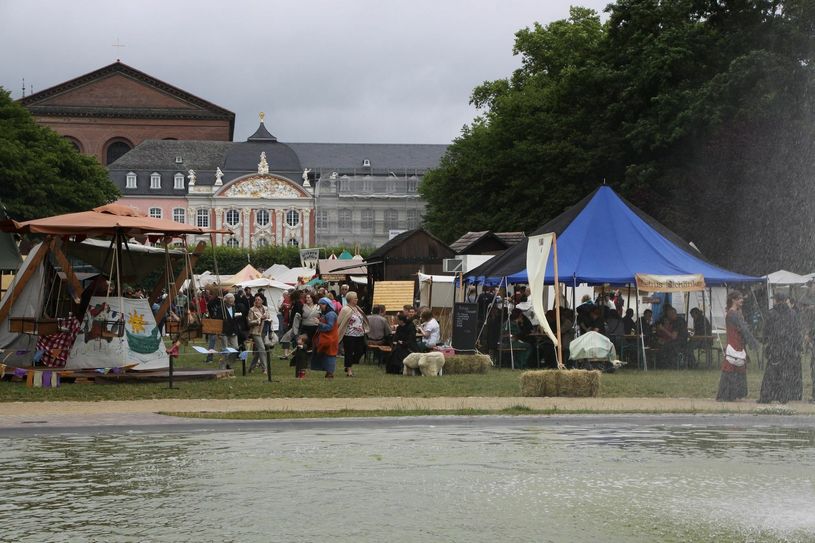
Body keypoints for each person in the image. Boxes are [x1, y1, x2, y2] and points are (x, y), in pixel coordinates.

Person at [759, 292, 803, 403]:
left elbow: (766, 331)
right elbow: (797, 331)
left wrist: (765, 340)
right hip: (789, 348)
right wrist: (798, 346)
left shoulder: (771, 313)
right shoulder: (792, 313)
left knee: (771, 373)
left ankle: (767, 396)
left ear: (776, 300)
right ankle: (784, 396)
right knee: (786, 373)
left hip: (775, 347)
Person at [717, 291, 758, 401]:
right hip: (734, 343)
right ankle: (728, 394)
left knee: (738, 368)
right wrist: (752, 342)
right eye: (739, 298)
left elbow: (743, 328)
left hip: (738, 342)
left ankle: (734, 394)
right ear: (733, 300)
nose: (742, 300)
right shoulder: (732, 314)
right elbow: (743, 328)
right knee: (731, 367)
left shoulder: (737, 313)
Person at [337, 291, 368, 377]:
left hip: (360, 334)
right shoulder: (345, 309)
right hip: (349, 334)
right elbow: (339, 321)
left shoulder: (357, 308)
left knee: (360, 351)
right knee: (349, 352)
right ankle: (349, 370)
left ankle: (348, 364)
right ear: (350, 300)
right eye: (355, 298)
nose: (357, 299)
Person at [311, 297, 339, 378]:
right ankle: (328, 371)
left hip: (331, 338)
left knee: (330, 355)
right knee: (326, 355)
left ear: (328, 305)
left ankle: (330, 373)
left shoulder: (331, 314)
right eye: (320, 305)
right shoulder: (326, 314)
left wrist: (319, 323)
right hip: (326, 338)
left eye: (323, 304)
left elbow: (329, 327)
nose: (321, 306)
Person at [220, 293, 248, 369]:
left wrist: (237, 317)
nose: (232, 303)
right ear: (226, 301)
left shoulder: (234, 308)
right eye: (230, 301)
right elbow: (218, 319)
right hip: (224, 331)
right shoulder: (221, 308)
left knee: (235, 348)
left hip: (233, 331)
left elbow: (237, 317)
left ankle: (229, 363)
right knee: (225, 349)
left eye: (233, 301)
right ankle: (223, 366)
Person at [247, 295, 271, 374]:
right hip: (255, 332)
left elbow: (269, 317)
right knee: (262, 349)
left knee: (258, 351)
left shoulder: (266, 308)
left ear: (262, 301)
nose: (257, 301)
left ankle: (251, 368)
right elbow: (249, 322)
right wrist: (259, 320)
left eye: (259, 299)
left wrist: (268, 320)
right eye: (256, 299)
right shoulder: (252, 310)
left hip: (264, 331)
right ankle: (265, 369)